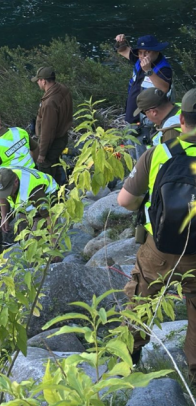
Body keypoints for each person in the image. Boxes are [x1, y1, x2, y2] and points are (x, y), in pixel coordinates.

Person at [116, 88, 196, 378]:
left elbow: (124, 201)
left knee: (141, 300)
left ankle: (129, 360)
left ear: (182, 120)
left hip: (159, 250)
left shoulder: (159, 152)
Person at [0, 113, 38, 260]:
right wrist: (31, 166)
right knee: (30, 216)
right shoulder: (20, 131)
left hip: (13, 187)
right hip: (34, 180)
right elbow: (35, 149)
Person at [114, 34, 173, 125]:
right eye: (140, 52)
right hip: (133, 111)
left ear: (156, 51)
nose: (143, 56)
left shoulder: (164, 68)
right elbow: (122, 50)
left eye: (147, 52)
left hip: (149, 114)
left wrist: (148, 70)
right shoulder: (138, 58)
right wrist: (121, 42)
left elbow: (164, 88)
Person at [32, 67, 73, 184]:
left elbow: (47, 131)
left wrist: (41, 153)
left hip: (53, 141)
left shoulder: (50, 103)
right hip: (62, 136)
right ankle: (62, 183)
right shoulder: (63, 89)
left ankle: (53, 195)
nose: (37, 83)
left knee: (46, 169)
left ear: (44, 81)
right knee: (56, 162)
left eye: (38, 80)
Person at [0, 166, 57, 234]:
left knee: (32, 242)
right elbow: (1, 193)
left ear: (16, 182)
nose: (6, 195)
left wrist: (54, 241)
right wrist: (4, 216)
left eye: (8, 191)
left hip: (46, 202)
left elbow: (49, 216)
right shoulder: (3, 176)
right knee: (23, 237)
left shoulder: (34, 191)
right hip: (26, 207)